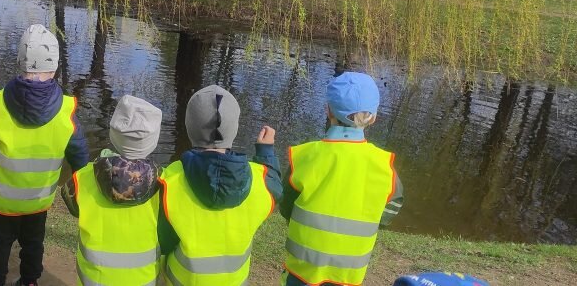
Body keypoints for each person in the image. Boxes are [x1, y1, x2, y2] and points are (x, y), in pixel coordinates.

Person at [0, 24, 89, 286]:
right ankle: (29, 280)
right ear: (55, 66)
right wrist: (82, 187)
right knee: (34, 242)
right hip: (38, 199)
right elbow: (80, 154)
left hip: (3, 200)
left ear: (19, 62)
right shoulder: (66, 111)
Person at [280, 71, 404, 286]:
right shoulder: (384, 166)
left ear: (328, 111)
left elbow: (285, 207)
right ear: (373, 118)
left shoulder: (305, 156)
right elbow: (390, 210)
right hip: (348, 274)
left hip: (302, 271)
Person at [158, 85, 283, 286]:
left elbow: (163, 242)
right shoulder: (262, 181)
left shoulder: (169, 181)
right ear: (234, 129)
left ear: (189, 128)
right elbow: (274, 184)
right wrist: (266, 151)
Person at [61, 95, 163, 286]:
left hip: (94, 279)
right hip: (142, 280)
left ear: (113, 133)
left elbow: (73, 206)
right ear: (152, 140)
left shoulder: (82, 177)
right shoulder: (165, 182)